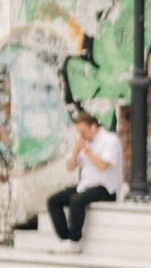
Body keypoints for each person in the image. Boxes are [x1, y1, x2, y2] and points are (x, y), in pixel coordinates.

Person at [45, 104, 124, 246]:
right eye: (79, 132)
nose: (82, 135)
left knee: (76, 200)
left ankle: (75, 240)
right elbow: (70, 167)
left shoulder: (110, 140)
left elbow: (103, 166)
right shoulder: (85, 142)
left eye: (83, 131)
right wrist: (76, 150)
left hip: (106, 187)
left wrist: (86, 150)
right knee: (53, 200)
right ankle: (65, 238)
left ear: (93, 126)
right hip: (86, 185)